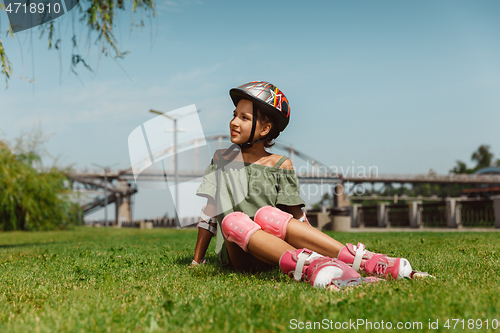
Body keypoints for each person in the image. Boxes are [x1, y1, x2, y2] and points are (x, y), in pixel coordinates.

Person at [192, 81, 430, 291]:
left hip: (276, 252)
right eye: (234, 115)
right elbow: (210, 213)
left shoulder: (281, 164)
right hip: (240, 252)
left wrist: (319, 244)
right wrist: (197, 260)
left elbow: (296, 218)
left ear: (264, 129)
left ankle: (359, 261)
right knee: (233, 220)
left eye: (244, 118)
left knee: (268, 215)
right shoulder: (222, 159)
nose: (234, 122)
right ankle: (311, 264)